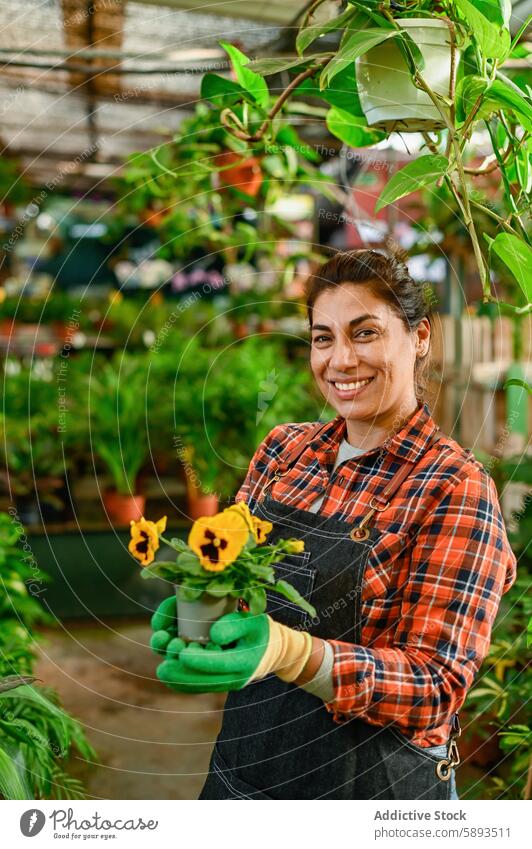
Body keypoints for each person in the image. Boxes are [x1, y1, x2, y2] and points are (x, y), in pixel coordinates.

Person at [150, 249, 517, 800]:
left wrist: (289, 653)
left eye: (364, 333)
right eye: (323, 338)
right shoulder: (283, 452)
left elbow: (437, 685)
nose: (340, 360)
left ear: (419, 337)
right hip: (243, 776)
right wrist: (205, 606)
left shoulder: (454, 487)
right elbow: (234, 574)